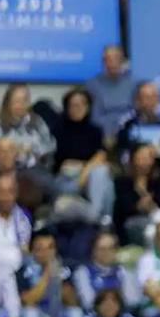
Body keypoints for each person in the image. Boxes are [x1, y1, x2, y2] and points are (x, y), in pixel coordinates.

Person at [52, 87, 114, 225]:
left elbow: (101, 155)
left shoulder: (95, 130)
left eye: (81, 104)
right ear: (66, 107)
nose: (77, 108)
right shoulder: (58, 130)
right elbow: (63, 164)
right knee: (104, 181)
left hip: (89, 179)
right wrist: (85, 167)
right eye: (73, 105)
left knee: (101, 173)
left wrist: (85, 171)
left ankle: (93, 213)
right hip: (67, 180)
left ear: (88, 107)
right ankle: (100, 218)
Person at [0, 84, 55, 190]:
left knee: (52, 186)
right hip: (4, 170)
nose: (21, 104)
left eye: (25, 100)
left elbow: (49, 146)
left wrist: (28, 149)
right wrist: (24, 149)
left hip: (34, 169)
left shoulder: (37, 121)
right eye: (17, 101)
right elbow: (0, 150)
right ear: (8, 103)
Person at [17, 231, 75, 317]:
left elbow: (72, 301)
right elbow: (28, 300)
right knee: (30, 313)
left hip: (58, 313)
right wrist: (47, 273)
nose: (46, 252)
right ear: (32, 251)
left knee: (76, 313)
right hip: (35, 314)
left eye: (50, 247)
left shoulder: (64, 268)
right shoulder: (23, 270)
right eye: (40, 248)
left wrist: (57, 278)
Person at [113, 144, 160, 247]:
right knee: (151, 230)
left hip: (157, 219)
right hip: (130, 224)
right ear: (133, 158)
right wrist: (139, 206)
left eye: (149, 157)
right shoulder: (122, 182)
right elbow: (124, 207)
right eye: (142, 157)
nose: (146, 161)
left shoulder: (159, 182)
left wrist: (150, 205)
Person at [116, 81, 160, 167]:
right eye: (146, 97)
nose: (150, 101)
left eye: (154, 97)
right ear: (137, 101)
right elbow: (122, 152)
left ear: (158, 100)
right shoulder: (128, 124)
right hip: (135, 168)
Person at [85, 44, 136, 141]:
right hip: (101, 136)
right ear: (103, 62)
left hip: (129, 136)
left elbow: (136, 114)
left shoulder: (134, 84)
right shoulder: (92, 85)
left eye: (116, 58)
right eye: (108, 59)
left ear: (123, 61)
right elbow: (94, 117)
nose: (112, 63)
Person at [0, 173, 31, 272]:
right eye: (1, 192)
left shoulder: (24, 217)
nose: (6, 197)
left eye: (10, 192)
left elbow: (26, 249)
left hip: (18, 273)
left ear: (16, 194)